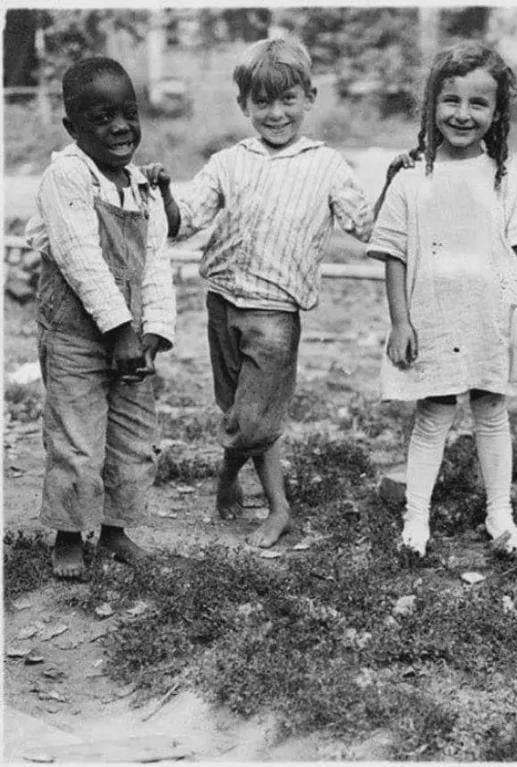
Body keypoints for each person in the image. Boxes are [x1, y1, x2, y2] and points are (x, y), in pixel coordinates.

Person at [146, 37, 372, 548]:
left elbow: (367, 226)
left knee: (254, 420)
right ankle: (228, 479)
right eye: (263, 102)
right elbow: (183, 223)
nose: (276, 113)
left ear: (309, 97)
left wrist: (401, 181)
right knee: (235, 410)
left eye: (288, 99)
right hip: (222, 300)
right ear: (244, 105)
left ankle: (277, 508)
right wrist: (161, 191)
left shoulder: (327, 165)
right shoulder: (229, 162)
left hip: (276, 313)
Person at [367, 41, 517, 557]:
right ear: (431, 105)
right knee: (434, 413)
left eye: (478, 103)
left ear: (497, 112)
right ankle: (415, 522)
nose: (462, 114)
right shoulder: (412, 179)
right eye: (451, 101)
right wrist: (401, 323)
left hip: (489, 319)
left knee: (491, 411)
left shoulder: (505, 178)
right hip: (432, 318)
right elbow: (393, 254)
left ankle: (499, 516)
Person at [25, 57, 176, 578]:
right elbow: (79, 258)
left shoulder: (140, 185)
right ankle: (69, 534)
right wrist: (117, 331)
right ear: (72, 127)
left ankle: (115, 531)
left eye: (128, 113)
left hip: (130, 340)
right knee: (77, 438)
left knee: (133, 438)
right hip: (76, 336)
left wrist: (153, 330)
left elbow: (155, 260)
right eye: (100, 118)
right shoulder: (65, 176)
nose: (119, 127)